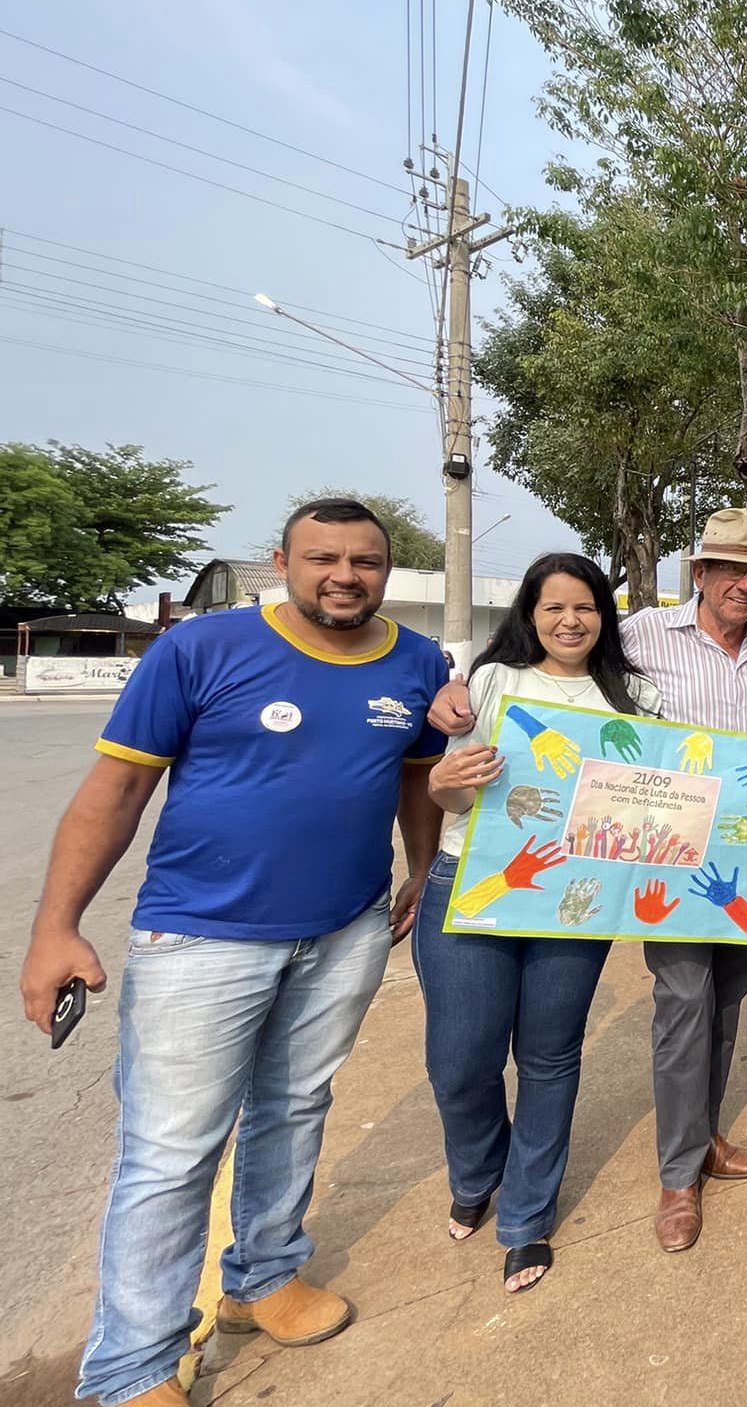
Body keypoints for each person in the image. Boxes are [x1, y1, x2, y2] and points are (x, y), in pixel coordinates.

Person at [20, 498, 447, 1407]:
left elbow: (414, 777)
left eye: (365, 562)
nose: (345, 575)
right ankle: (132, 1364)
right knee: (172, 1150)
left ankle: (264, 1275)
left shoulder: (414, 663)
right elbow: (119, 787)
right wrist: (57, 926)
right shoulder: (199, 649)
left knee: (295, 1106)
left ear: (385, 571)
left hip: (346, 928)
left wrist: (418, 870)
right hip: (200, 935)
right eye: (322, 557)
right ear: (281, 561)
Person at [429, 505, 747, 1255]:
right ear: (700, 573)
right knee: (684, 1005)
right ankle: (677, 1176)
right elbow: (549, 665)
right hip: (657, 858)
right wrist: (447, 689)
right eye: (730, 569)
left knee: (727, 1004)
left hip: (742, 861)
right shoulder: (640, 635)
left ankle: (703, 1136)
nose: (746, 584)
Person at [419, 553, 662, 1295]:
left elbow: (654, 801)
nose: (569, 621)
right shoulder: (489, 684)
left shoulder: (636, 697)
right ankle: (477, 1169)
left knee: (551, 1057)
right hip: (473, 882)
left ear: (604, 615)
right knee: (461, 1060)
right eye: (553, 606)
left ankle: (525, 1216)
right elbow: (451, 798)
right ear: (529, 613)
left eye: (584, 606)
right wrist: (440, 783)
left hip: (575, 897)